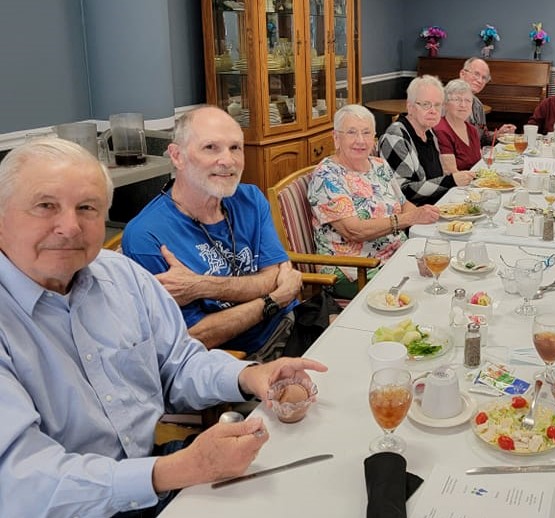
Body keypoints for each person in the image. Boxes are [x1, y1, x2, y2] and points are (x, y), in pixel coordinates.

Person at [0, 138, 329, 516]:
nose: (70, 227)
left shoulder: (121, 276)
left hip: (152, 472)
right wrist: (180, 468)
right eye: (46, 206)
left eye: (87, 208)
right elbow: (22, 481)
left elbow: (179, 363)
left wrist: (251, 376)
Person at [123, 106, 304, 362]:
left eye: (235, 148)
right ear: (177, 156)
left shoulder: (250, 198)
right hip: (237, 362)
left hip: (293, 325)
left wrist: (200, 287)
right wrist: (274, 299)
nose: (228, 161)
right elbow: (194, 335)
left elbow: (276, 275)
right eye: (211, 148)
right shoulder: (146, 235)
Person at [308, 104, 440, 298]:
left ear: (374, 138)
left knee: (445, 267)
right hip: (354, 269)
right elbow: (354, 230)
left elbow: (404, 205)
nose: (360, 141)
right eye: (351, 133)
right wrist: (408, 220)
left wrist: (425, 218)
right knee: (425, 291)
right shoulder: (327, 176)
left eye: (366, 133)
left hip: (397, 254)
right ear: (336, 138)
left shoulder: (378, 165)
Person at [379, 75, 475, 205]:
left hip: (436, 206)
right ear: (410, 107)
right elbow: (402, 191)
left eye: (437, 105)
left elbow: (434, 178)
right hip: (413, 216)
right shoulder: (396, 137)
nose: (433, 111)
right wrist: (451, 181)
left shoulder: (429, 132)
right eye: (426, 105)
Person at [458, 57, 515, 145]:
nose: (480, 80)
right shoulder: (447, 101)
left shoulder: (478, 105)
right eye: (476, 74)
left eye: (484, 78)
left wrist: (499, 134)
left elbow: (483, 138)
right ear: (462, 74)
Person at [434, 79, 482, 172]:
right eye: (457, 100)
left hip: (476, 181)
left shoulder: (472, 130)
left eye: (468, 100)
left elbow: (479, 163)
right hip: (457, 185)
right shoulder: (441, 130)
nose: (463, 105)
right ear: (445, 104)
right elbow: (451, 173)